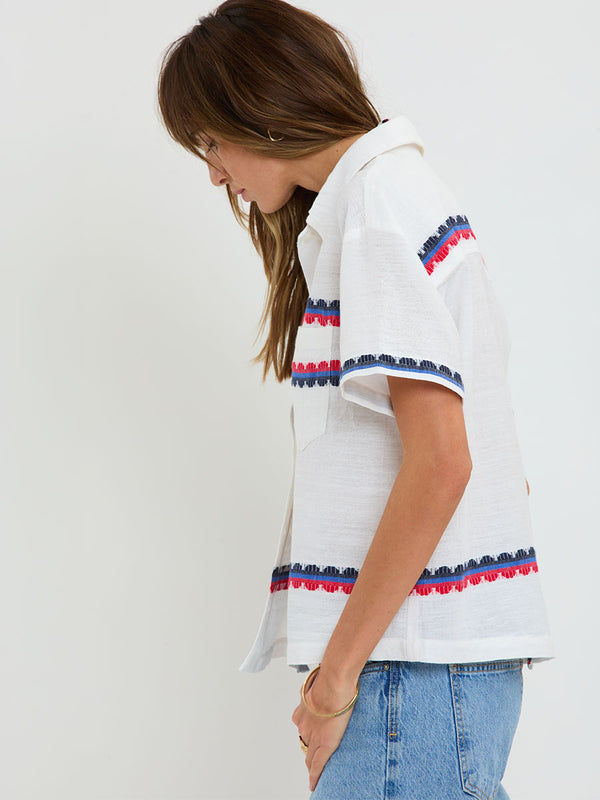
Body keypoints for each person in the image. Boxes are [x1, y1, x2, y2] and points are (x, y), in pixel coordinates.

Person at [157, 1, 554, 797]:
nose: (213, 173)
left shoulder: (377, 211)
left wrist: (337, 679)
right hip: (424, 669)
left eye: (209, 140)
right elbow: (476, 448)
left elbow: (443, 463)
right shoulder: (385, 200)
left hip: (407, 671)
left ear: (260, 109)